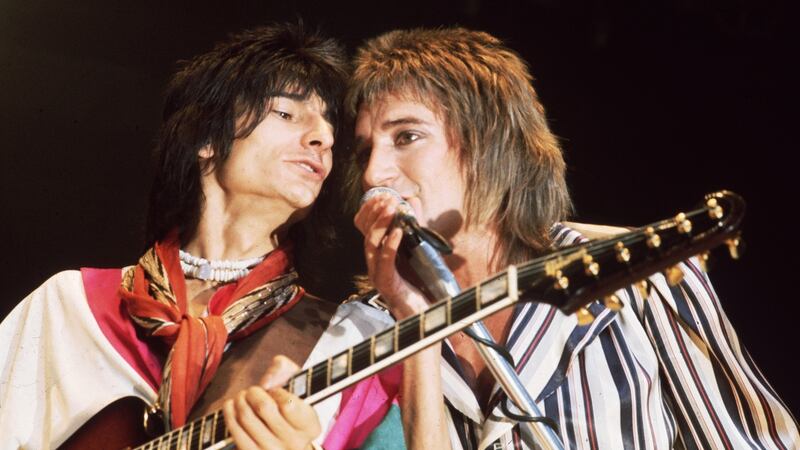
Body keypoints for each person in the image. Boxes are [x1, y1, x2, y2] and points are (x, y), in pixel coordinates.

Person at [329, 27, 800, 449]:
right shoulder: (366, 328)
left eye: (407, 136)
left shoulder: (642, 271)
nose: (375, 173)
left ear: (491, 144)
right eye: (366, 150)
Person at [0, 22, 369, 450]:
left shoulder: (344, 336)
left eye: (328, 128)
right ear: (207, 138)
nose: (322, 137)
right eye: (286, 114)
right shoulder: (70, 307)